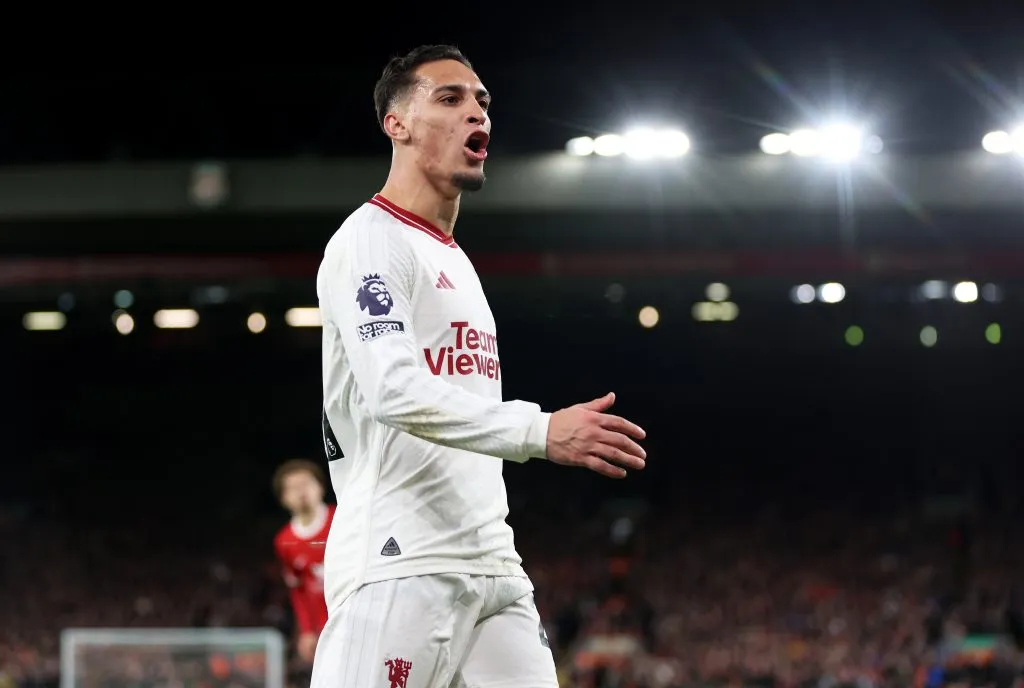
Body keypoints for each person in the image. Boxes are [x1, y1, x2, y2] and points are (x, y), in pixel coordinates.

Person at [311, 44, 648, 687]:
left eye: (483, 101)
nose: (478, 113)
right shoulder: (369, 240)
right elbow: (392, 389)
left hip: (491, 562)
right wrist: (539, 431)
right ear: (397, 124)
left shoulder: (455, 259)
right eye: (450, 98)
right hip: (401, 559)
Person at [272, 459, 335, 663]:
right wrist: (307, 630)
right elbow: (297, 589)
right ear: (283, 498)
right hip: (326, 630)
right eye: (293, 488)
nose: (301, 492)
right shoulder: (285, 541)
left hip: (360, 615)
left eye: (306, 483)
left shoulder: (344, 518)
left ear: (321, 486)